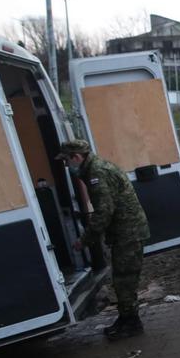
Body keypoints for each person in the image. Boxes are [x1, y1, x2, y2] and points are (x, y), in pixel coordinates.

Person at [56, 139, 150, 339]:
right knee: (122, 279)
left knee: (124, 280)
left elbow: (104, 212)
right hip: (125, 231)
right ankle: (126, 318)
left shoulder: (97, 173)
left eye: (67, 161)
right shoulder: (95, 169)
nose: (66, 166)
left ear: (77, 157)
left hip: (128, 232)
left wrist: (85, 240)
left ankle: (132, 323)